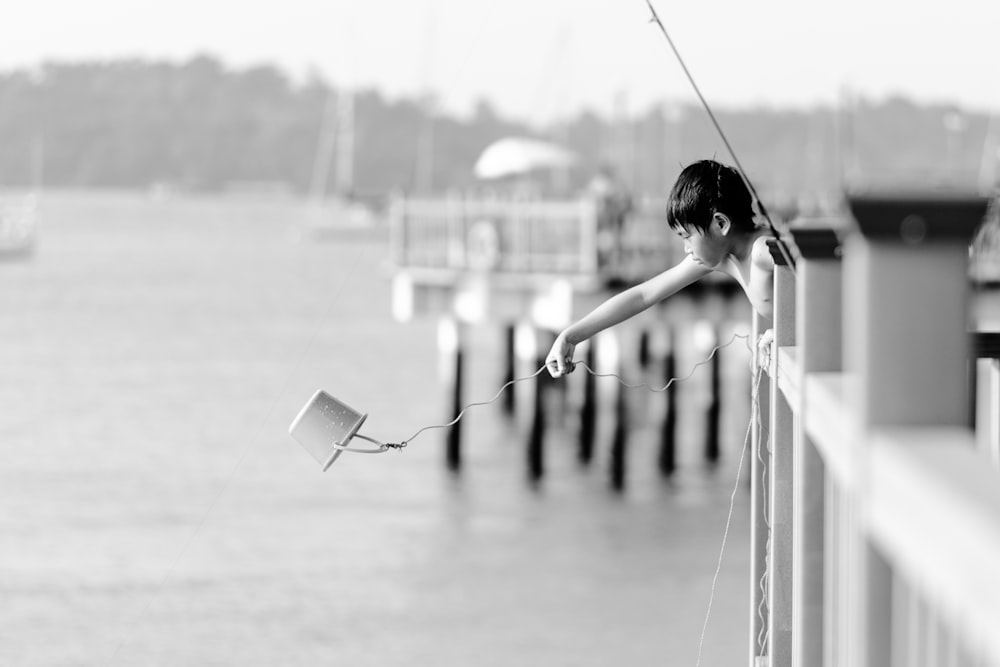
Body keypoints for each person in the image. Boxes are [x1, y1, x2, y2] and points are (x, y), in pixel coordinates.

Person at [545, 159, 775, 377]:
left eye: (687, 236)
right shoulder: (725, 256)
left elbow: (809, 273)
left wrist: (789, 336)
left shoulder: (764, 251)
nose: (686, 248)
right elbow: (643, 295)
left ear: (721, 224)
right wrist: (571, 336)